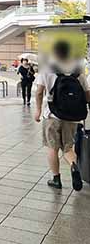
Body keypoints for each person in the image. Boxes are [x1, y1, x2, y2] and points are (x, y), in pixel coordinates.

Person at [34, 39, 90, 191]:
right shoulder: (77, 70)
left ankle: (56, 179)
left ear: (55, 52)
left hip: (52, 115)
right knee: (68, 148)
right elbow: (87, 94)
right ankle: (74, 166)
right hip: (72, 116)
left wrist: (38, 110)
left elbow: (39, 92)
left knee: (52, 148)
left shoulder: (47, 68)